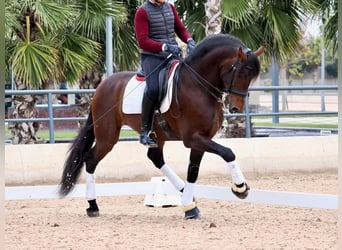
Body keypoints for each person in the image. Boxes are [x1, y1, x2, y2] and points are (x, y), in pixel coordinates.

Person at [134, 0, 196, 147]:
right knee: (153, 89)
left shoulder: (170, 8)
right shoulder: (142, 12)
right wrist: (164, 46)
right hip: (152, 57)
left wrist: (189, 40)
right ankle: (145, 132)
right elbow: (142, 41)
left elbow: (180, 29)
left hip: (172, 54)